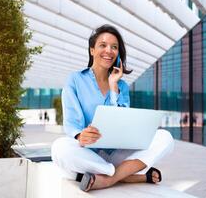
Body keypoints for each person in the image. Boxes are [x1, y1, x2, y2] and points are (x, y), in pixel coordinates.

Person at [51, 24, 174, 192]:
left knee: (165, 137)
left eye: (114, 47)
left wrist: (113, 86)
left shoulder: (121, 85)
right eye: (103, 45)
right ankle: (127, 174)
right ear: (92, 50)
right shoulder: (75, 80)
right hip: (87, 152)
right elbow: (72, 124)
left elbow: (122, 120)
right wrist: (80, 135)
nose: (109, 50)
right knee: (60, 148)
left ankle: (109, 179)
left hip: (116, 152)